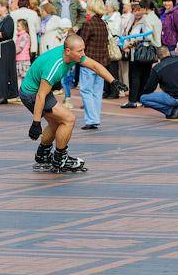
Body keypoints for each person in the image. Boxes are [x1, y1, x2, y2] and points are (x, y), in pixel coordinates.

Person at [22, 34, 126, 172]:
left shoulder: (72, 54)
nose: (83, 54)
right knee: (69, 119)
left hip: (38, 92)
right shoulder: (55, 66)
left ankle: (43, 156)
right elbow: (41, 95)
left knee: (56, 124)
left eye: (83, 49)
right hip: (32, 94)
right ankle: (60, 159)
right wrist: (36, 123)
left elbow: (94, 65)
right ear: (68, 51)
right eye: (80, 51)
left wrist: (113, 81)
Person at [140, 46, 178, 119]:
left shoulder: (157, 68)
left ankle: (170, 110)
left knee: (143, 98)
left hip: (172, 98)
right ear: (169, 52)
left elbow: (149, 88)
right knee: (177, 91)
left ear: (157, 57)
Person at [120, 0, 160, 109]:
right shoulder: (155, 18)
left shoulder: (147, 19)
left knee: (136, 76)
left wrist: (132, 42)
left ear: (145, 8)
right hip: (148, 51)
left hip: (141, 51)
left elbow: (146, 36)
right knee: (143, 76)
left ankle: (133, 100)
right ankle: (141, 99)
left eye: (140, 9)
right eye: (135, 10)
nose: (138, 11)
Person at [77, 0, 110, 130]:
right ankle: (95, 118)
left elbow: (81, 43)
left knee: (86, 90)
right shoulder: (103, 24)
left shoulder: (88, 24)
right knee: (97, 92)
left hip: (89, 61)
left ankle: (91, 119)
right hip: (101, 62)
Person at [15, 18, 31, 83]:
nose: (17, 27)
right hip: (18, 59)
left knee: (25, 76)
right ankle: (19, 91)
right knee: (18, 76)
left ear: (24, 27)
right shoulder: (20, 36)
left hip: (24, 60)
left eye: (18, 26)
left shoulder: (25, 36)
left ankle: (25, 91)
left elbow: (20, 48)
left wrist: (12, 52)